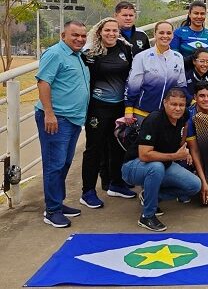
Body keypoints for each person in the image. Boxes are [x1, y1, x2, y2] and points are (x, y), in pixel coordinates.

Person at [35, 21, 90, 228]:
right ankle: (52, 210)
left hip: (73, 118)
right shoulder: (55, 53)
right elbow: (43, 83)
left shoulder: (77, 55)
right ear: (63, 35)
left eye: (83, 36)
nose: (80, 39)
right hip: (57, 118)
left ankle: (57, 202)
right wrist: (49, 113)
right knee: (54, 164)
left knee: (65, 162)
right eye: (75, 35)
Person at [121, 88, 201, 232]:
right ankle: (147, 216)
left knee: (194, 186)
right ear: (165, 103)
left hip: (164, 163)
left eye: (181, 105)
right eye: (173, 104)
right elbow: (144, 155)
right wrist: (175, 156)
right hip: (133, 166)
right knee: (156, 167)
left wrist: (183, 149)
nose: (178, 109)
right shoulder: (154, 119)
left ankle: (150, 195)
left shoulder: (184, 115)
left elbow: (185, 126)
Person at [80, 18, 135, 210]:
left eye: (115, 30)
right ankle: (88, 191)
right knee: (94, 149)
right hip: (98, 107)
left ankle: (116, 184)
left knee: (117, 146)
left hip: (119, 106)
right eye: (107, 31)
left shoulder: (125, 49)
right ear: (99, 32)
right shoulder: (90, 53)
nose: (111, 34)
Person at [125, 21, 187, 123]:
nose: (165, 36)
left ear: (172, 35)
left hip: (166, 114)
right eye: (161, 33)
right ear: (155, 34)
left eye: (168, 33)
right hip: (142, 112)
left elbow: (181, 86)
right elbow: (132, 85)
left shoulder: (178, 57)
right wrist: (128, 109)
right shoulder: (142, 57)